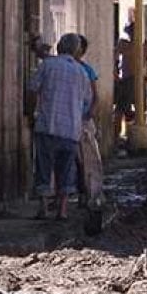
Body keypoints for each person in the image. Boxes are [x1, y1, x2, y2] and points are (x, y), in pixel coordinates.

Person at [28, 33, 91, 220]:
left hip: (47, 125)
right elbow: (87, 101)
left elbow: (32, 89)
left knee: (43, 167)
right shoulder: (81, 72)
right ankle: (62, 210)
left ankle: (43, 208)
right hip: (70, 129)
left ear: (59, 47)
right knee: (66, 169)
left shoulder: (47, 66)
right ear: (76, 50)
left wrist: (32, 113)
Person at [115, 22, 147, 137]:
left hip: (130, 81)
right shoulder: (131, 46)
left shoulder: (129, 46)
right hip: (134, 81)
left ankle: (123, 138)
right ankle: (128, 136)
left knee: (121, 112)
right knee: (132, 112)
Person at [74, 35, 103, 210]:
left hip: (82, 120)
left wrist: (89, 114)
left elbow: (95, 96)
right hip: (74, 119)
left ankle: (88, 194)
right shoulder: (79, 69)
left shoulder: (86, 70)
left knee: (85, 160)